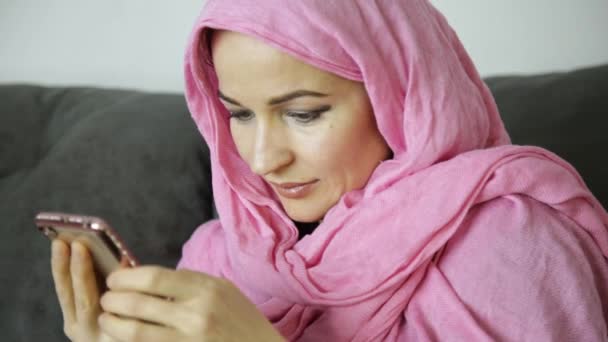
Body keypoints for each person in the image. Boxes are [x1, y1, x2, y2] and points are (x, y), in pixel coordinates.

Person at [51, 0, 608, 341]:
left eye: (303, 113)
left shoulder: (512, 244)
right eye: (238, 115)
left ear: (401, 99)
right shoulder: (218, 258)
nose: (265, 159)